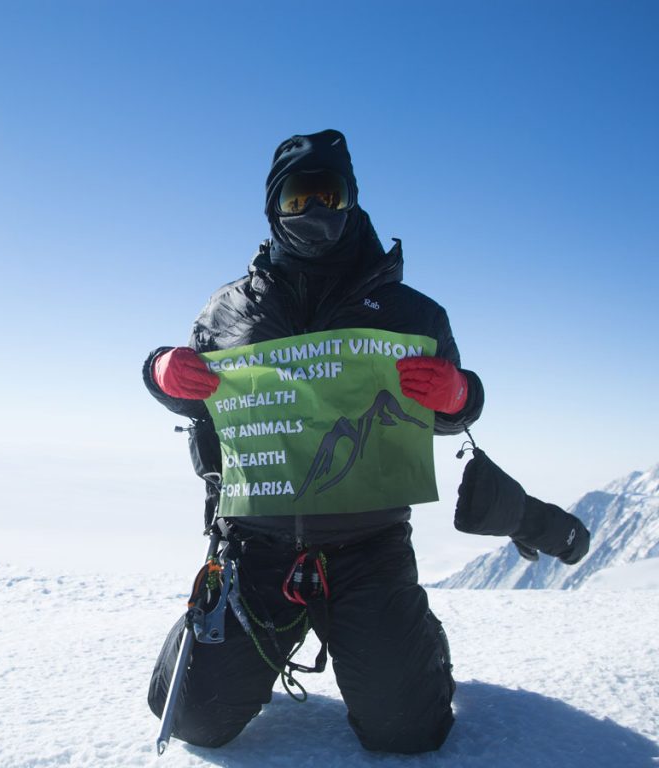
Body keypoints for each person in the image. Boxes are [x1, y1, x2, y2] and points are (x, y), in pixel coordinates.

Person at [143, 130, 484, 754]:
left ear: (352, 199)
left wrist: (458, 395)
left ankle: (414, 638)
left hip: (370, 548)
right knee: (190, 718)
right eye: (300, 198)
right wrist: (163, 371)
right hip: (254, 545)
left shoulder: (412, 314)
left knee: (410, 731)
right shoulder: (228, 311)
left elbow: (450, 416)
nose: (317, 211)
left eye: (331, 194)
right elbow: (200, 397)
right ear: (275, 206)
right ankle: (266, 642)